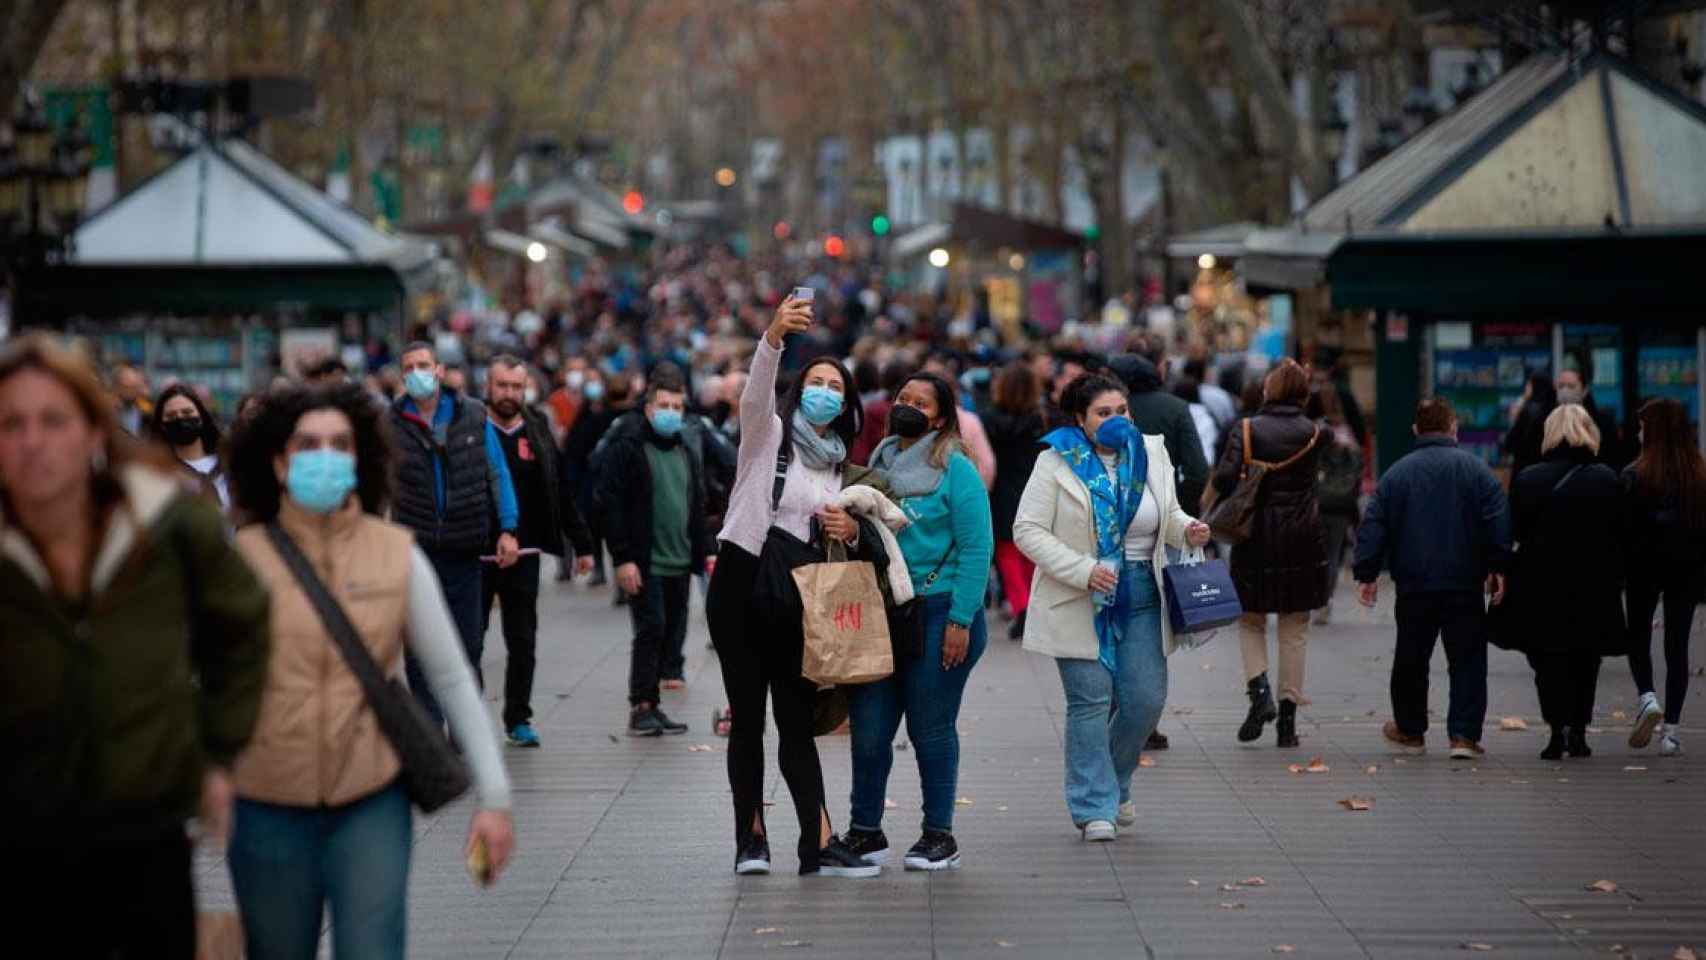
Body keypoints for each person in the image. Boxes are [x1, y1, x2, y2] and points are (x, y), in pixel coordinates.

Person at [2, 334, 270, 958]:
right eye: (12, 423)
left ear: (94, 433)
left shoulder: (164, 520)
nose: (33, 441)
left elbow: (244, 623)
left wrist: (218, 749)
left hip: (145, 824)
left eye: (53, 420)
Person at [224, 384, 514, 959]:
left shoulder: (395, 553)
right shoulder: (241, 560)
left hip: (370, 797)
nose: (324, 456)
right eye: (307, 444)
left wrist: (495, 797)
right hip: (265, 799)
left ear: (360, 461)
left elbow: (453, 677)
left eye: (339, 444)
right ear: (279, 463)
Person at [706, 296, 878, 878]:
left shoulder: (839, 466)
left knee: (797, 721)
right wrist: (773, 338)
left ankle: (819, 841)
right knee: (748, 717)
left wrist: (848, 526)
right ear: (800, 387)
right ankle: (750, 838)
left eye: (836, 386)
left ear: (847, 403)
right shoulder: (768, 432)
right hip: (742, 582)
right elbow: (755, 393)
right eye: (817, 381)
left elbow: (853, 536)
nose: (825, 391)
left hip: (800, 598)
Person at [1013, 373, 1212, 841]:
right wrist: (1082, 569)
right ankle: (1092, 807)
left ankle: (1115, 780)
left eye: (1121, 410)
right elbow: (1028, 530)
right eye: (1104, 413)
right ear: (1080, 420)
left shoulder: (1151, 452)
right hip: (1079, 596)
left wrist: (1187, 530)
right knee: (1090, 702)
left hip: (1143, 591)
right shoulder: (1054, 462)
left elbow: (1167, 514)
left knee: (1145, 701)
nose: (1117, 420)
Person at [843, 372, 994, 871]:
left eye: (921, 402)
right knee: (868, 729)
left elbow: (977, 547)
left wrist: (961, 619)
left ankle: (938, 835)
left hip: (940, 610)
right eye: (904, 399)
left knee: (930, 728)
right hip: (882, 611)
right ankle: (865, 831)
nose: (908, 407)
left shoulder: (956, 467)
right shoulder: (879, 464)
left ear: (943, 417)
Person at [1353, 397, 1511, 758]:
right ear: (1453, 427)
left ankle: (1410, 730)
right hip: (1464, 583)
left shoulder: (1397, 474)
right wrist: (1498, 565)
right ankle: (1464, 736)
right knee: (1468, 659)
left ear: (1416, 430)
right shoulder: (1477, 471)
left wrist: (1367, 572)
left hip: (1415, 585)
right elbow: (1497, 518)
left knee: (1411, 658)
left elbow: (1375, 524)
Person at [390, 341, 522, 725]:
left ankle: (464, 728)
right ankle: (431, 731)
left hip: (465, 550)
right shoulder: (392, 425)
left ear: (440, 371)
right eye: (410, 366)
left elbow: (497, 474)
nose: (418, 372)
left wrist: (508, 529)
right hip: (415, 551)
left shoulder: (473, 415)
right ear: (402, 376)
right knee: (418, 652)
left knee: (468, 646)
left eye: (424, 364)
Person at [1208, 359, 1328, 749]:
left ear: (1270, 390)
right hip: (1302, 535)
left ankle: (1259, 694)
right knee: (1295, 628)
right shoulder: (1314, 432)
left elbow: (1225, 479)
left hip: (1254, 534)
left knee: (1250, 619)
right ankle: (1288, 722)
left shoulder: (1246, 429)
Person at [593, 366, 714, 734]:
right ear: (648, 407)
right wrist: (623, 557)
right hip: (646, 561)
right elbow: (609, 503)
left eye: (677, 406)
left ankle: (654, 705)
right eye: (663, 404)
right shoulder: (629, 446)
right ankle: (640, 706)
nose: (670, 412)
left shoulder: (683, 449)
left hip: (679, 558)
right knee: (651, 628)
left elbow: (697, 503)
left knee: (669, 631)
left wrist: (705, 548)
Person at [483, 355, 596, 748]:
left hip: (527, 552)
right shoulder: (473, 429)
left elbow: (559, 486)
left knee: (523, 641)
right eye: (502, 386)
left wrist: (581, 543)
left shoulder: (537, 428)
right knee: (470, 641)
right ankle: (469, 723)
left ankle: (519, 718)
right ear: (489, 387)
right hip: (478, 553)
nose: (510, 394)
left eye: (516, 387)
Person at [1509, 404, 1626, 760]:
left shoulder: (1530, 478)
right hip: (1593, 582)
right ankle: (1578, 730)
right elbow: (1621, 533)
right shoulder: (1608, 478)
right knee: (1585, 659)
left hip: (1541, 583)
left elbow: (1515, 531)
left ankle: (1555, 729)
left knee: (1547, 659)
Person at [1623, 398, 1705, 757]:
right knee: (1678, 646)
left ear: (1652, 431)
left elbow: (1621, 528)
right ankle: (1670, 731)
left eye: (1642, 426)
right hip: (1686, 569)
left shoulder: (1635, 475)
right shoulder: (1698, 476)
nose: (1639, 432)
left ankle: (1647, 697)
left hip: (1643, 567)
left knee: (1638, 635)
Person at [984, 362, 1047, 640]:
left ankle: (1021, 606)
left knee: (1006, 553)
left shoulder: (988, 420)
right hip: (1033, 489)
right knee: (1031, 553)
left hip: (1001, 491)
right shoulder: (1039, 420)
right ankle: (1033, 606)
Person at [1107, 353, 1208, 515]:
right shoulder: (1176, 408)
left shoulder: (1105, 409)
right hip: (1163, 507)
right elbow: (1197, 471)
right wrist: (1178, 505)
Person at [1308, 381, 1363, 624]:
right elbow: (1358, 466)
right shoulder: (1346, 432)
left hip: (1315, 502)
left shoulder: (1312, 431)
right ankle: (1325, 601)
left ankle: (1314, 597)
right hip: (1341, 502)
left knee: (1312, 554)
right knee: (1332, 553)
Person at [153, 382, 231, 509]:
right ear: (161, 425)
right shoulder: (158, 472)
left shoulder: (227, 463)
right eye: (171, 415)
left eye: (187, 412)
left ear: (201, 416)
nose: (179, 419)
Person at [1555, 367, 1626, 467]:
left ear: (1584, 390)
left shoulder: (1602, 422)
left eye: (1571, 386)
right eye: (1561, 386)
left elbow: (1614, 458)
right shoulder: (1547, 421)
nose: (1564, 391)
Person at [1503, 373, 1556, 477]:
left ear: (1535, 387)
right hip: (1548, 473)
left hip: (1526, 472)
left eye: (1528, 385)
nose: (1525, 389)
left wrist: (1515, 419)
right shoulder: (1555, 410)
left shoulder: (1528, 411)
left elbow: (1510, 444)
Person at [111, 361, 153, 436]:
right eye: (127, 387)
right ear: (116, 387)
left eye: (134, 387)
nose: (131, 392)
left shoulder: (146, 414)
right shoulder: (106, 413)